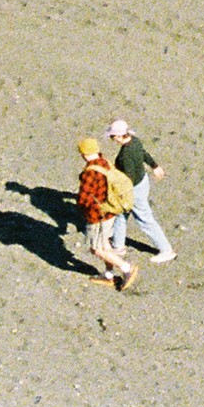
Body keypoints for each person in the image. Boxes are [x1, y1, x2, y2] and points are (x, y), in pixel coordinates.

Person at [108, 118, 177, 264]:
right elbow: (143, 154)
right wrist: (155, 166)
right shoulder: (135, 141)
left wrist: (118, 191)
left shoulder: (125, 155)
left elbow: (128, 178)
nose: (112, 139)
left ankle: (166, 250)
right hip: (142, 181)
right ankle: (118, 246)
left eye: (113, 136)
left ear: (119, 136)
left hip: (133, 190)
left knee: (145, 219)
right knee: (120, 214)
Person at [74, 136, 135, 289]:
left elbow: (83, 199)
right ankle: (108, 275)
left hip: (97, 216)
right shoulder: (105, 162)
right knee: (105, 244)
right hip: (110, 211)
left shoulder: (90, 173)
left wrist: (81, 208)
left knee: (96, 249)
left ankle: (127, 268)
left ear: (84, 154)